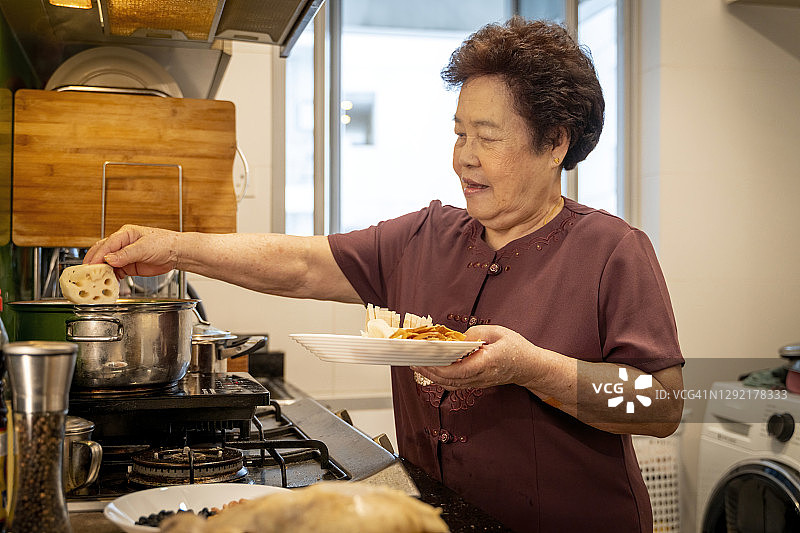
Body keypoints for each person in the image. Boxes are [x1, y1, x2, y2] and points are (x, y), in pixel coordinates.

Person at [85, 17, 684, 533]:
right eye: (458, 133)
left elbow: (661, 405)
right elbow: (299, 264)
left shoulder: (612, 252)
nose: (464, 157)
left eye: (488, 137)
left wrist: (530, 366)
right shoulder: (424, 236)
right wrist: (174, 247)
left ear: (555, 143)